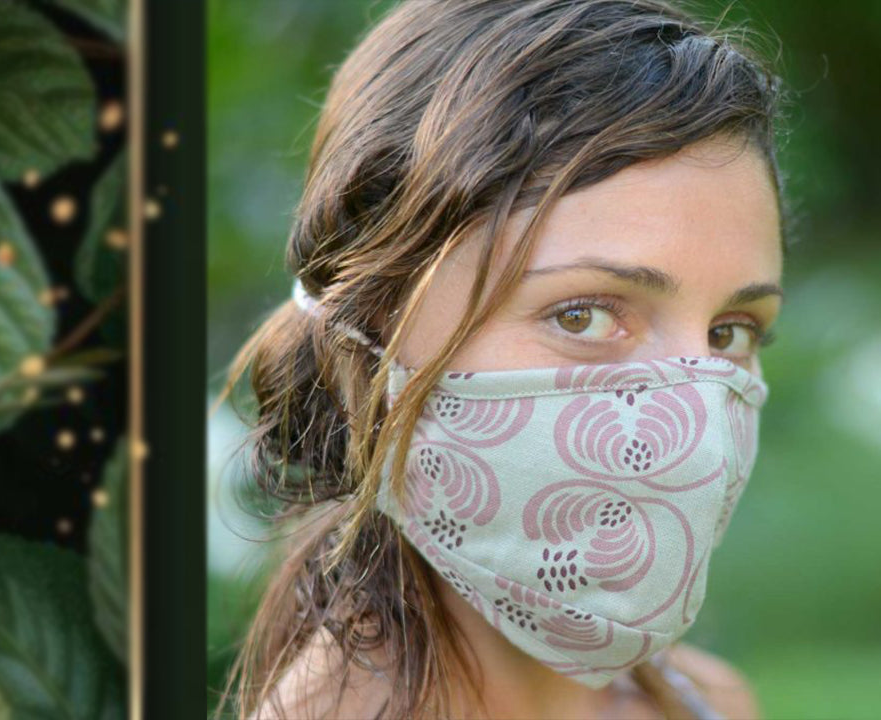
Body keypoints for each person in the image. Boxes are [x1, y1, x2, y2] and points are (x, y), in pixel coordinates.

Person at [223, 1, 786, 717]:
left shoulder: (707, 701)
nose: (696, 430)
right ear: (366, 334)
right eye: (583, 316)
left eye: (730, 333)